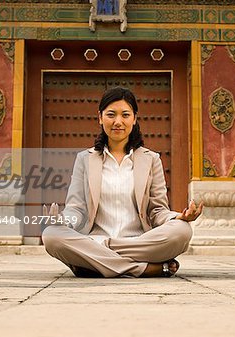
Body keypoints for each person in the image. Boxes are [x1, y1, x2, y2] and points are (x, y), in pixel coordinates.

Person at [42, 87, 203, 278]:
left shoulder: (151, 159)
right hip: (96, 237)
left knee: (182, 232)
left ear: (134, 119)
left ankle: (94, 261)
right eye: (111, 115)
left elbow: (157, 211)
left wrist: (179, 217)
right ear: (100, 117)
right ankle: (142, 268)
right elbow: (77, 209)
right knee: (51, 235)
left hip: (138, 240)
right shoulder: (85, 159)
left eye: (125, 115)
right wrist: (63, 221)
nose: (118, 121)